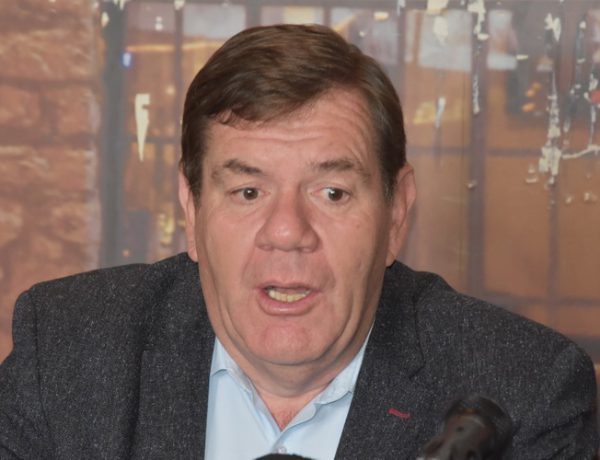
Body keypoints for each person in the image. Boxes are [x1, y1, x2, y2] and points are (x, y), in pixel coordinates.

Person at [0, 24, 597, 460]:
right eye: (248, 192)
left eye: (332, 193)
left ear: (396, 213)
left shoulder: (524, 393)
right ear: (192, 207)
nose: (287, 232)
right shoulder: (68, 351)